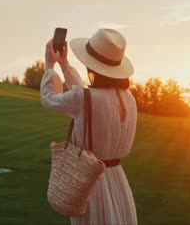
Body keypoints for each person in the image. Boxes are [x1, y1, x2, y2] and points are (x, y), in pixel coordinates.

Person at [40, 28, 137, 225]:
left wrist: (50, 66)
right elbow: (85, 98)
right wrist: (65, 64)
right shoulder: (129, 100)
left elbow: (50, 99)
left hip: (90, 182)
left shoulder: (86, 100)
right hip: (118, 180)